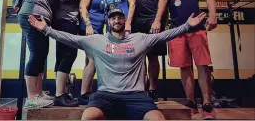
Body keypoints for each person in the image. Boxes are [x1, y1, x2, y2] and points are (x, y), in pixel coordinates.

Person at [28, 8, 206, 120]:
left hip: (136, 96)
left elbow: (164, 35)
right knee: (88, 117)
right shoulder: (96, 40)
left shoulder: (140, 39)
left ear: (125, 20)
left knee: (157, 119)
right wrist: (46, 29)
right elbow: (69, 38)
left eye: (120, 17)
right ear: (108, 22)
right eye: (113, 18)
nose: (116, 20)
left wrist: (186, 26)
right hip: (106, 96)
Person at [161, 0, 217, 119]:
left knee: (203, 66)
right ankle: (191, 103)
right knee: (184, 67)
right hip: (177, 31)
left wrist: (213, 15)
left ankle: (207, 104)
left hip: (197, 29)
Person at [7, 0, 60, 108]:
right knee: (37, 54)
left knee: (41, 54)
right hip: (32, 15)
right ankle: (31, 97)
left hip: (41, 18)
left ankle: (38, 92)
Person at [51, 0, 91, 107]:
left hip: (67, 20)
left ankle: (60, 93)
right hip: (64, 20)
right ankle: (60, 95)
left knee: (62, 56)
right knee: (69, 54)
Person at [128, 0, 168, 102]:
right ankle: (140, 89)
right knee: (138, 57)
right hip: (136, 22)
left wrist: (158, 20)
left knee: (152, 56)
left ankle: (152, 89)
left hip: (152, 19)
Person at [78, 0, 107, 104]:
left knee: (89, 61)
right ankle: (84, 94)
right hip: (91, 29)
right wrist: (88, 25)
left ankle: (86, 91)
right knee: (94, 61)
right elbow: (82, 7)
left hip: (98, 30)